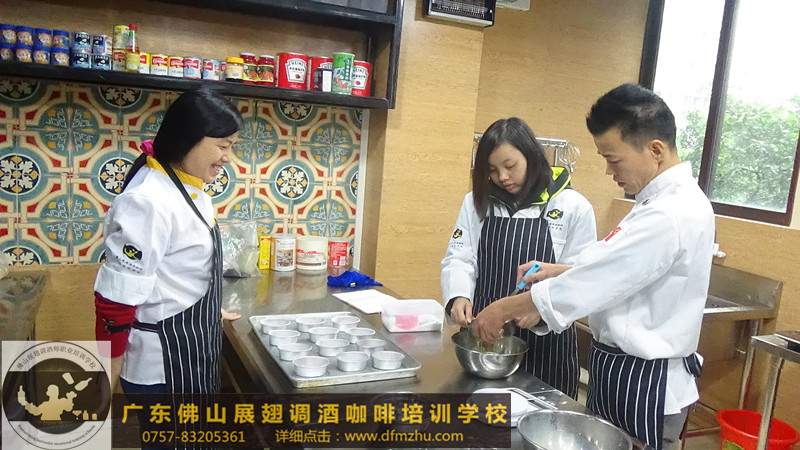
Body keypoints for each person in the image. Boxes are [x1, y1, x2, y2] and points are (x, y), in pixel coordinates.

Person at [473, 84, 715, 450]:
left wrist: (503, 308)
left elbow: (599, 280)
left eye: (613, 159)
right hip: (619, 373)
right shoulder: (653, 203)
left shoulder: (673, 213)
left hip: (644, 383)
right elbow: (611, 262)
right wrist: (558, 271)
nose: (607, 170)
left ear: (655, 150)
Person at [94, 89, 243, 395]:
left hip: (192, 349)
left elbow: (177, 271)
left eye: (232, 146)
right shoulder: (147, 201)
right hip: (164, 364)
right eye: (223, 146)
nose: (228, 157)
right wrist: (107, 376)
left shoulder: (186, 187)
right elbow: (116, 301)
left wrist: (208, 310)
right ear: (189, 138)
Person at [441, 117, 597, 399]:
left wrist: (541, 311)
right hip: (486, 341)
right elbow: (460, 257)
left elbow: (579, 278)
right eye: (492, 170)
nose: (502, 177)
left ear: (532, 156)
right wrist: (458, 296)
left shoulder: (573, 206)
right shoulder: (476, 202)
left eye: (510, 166)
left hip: (549, 348)